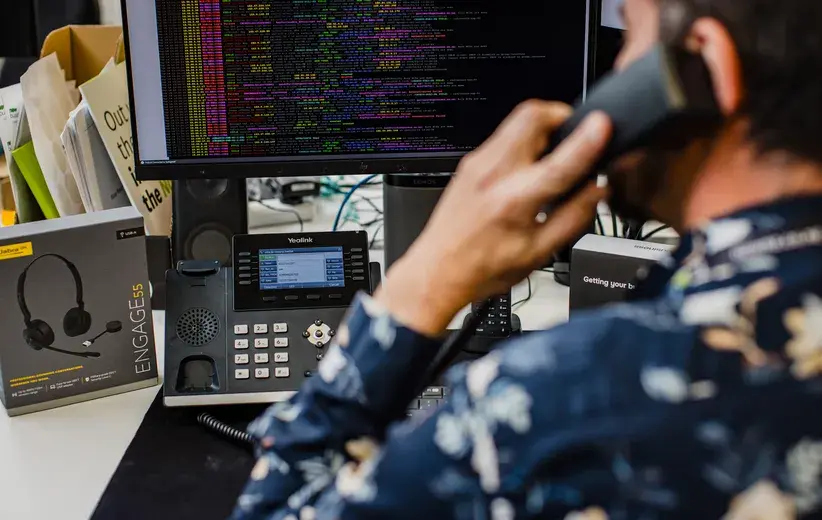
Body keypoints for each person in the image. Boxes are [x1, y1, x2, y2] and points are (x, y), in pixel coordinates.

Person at [232, 0, 822, 518]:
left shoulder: (569, 394)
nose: (611, 76)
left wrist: (425, 279)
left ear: (704, 65)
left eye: (630, 35)